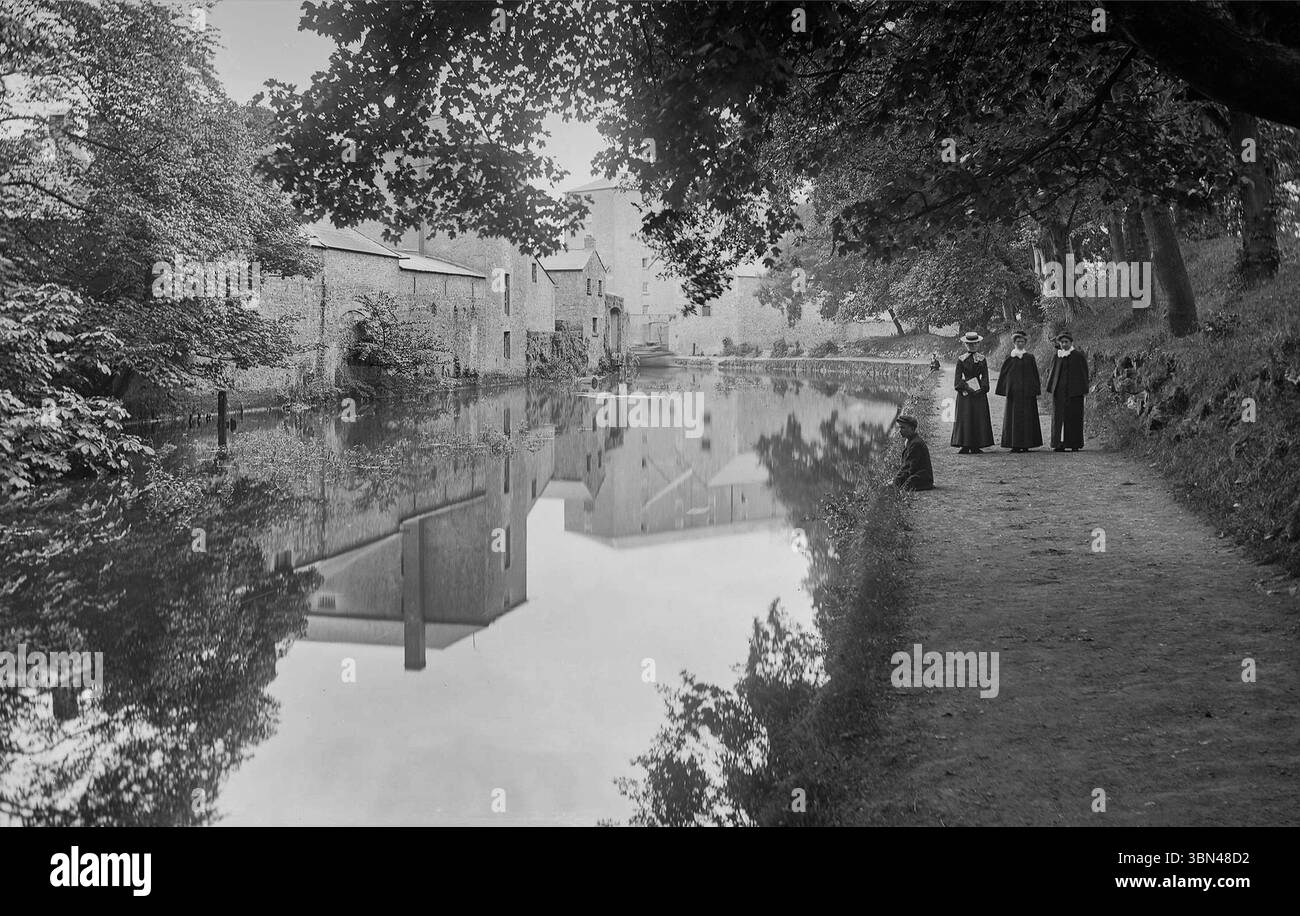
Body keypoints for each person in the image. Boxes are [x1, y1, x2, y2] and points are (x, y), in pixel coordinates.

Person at [994, 330, 1043, 452]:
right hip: (1014, 395)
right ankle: (1014, 444)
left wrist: (1035, 390)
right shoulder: (1010, 358)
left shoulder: (1030, 358)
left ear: (1025, 343)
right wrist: (1006, 389)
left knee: (1027, 418)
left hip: (1027, 394)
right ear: (1014, 343)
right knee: (1013, 419)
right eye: (1017, 341)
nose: (1020, 343)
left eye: (1022, 341)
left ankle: (1026, 444)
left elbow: (1034, 375)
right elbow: (1004, 375)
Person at [950, 331, 994, 454]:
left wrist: (983, 389)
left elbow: (985, 376)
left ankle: (976, 444)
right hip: (965, 392)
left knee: (978, 417)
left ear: (978, 344)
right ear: (965, 345)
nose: (972, 346)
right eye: (969, 344)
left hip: (979, 392)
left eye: (974, 344)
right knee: (965, 417)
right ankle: (964, 444)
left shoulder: (982, 359)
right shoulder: (961, 360)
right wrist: (968, 388)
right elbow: (957, 381)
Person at [1046, 331, 1089, 451]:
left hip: (1074, 392)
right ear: (1059, 343)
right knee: (1058, 417)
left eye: (1066, 342)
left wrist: (1083, 389)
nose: (1064, 344)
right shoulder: (1057, 355)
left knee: (1074, 417)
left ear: (1071, 342)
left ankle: (1074, 443)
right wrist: (1051, 387)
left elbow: (1084, 373)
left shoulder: (1078, 356)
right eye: (1062, 342)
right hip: (1059, 391)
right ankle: (1057, 443)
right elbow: (1052, 372)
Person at [892, 414, 933, 491]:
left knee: (899, 487)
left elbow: (908, 466)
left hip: (921, 479)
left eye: (903, 428)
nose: (900, 430)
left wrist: (895, 481)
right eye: (900, 427)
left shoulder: (915, 444)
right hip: (916, 474)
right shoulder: (910, 441)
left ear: (912, 428)